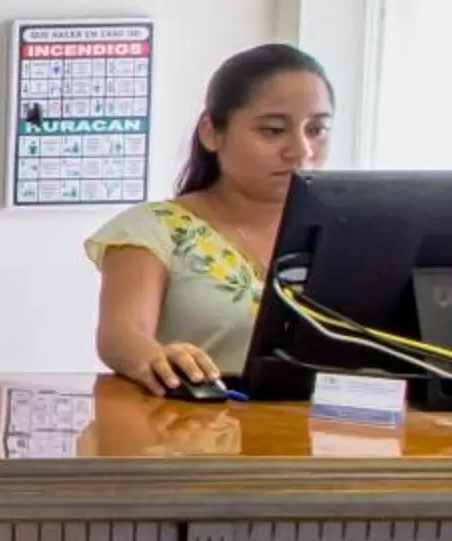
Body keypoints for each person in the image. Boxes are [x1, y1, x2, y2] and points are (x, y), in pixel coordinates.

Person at [87, 43, 333, 395]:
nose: (301, 150)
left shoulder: (347, 233)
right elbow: (121, 334)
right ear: (211, 132)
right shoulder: (153, 229)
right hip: (195, 433)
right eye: (273, 131)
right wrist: (157, 358)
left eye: (317, 130)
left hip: (331, 436)